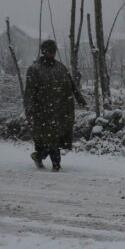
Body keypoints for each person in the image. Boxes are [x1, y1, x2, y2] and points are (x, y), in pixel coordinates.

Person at [24, 40, 86, 171]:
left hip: (61, 110)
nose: (52, 54)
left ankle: (39, 156)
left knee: (55, 139)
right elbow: (29, 92)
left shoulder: (61, 68)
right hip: (42, 111)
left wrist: (80, 98)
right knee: (48, 139)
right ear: (44, 52)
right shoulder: (34, 69)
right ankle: (56, 164)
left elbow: (72, 85)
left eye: (54, 51)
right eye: (50, 51)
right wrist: (29, 111)